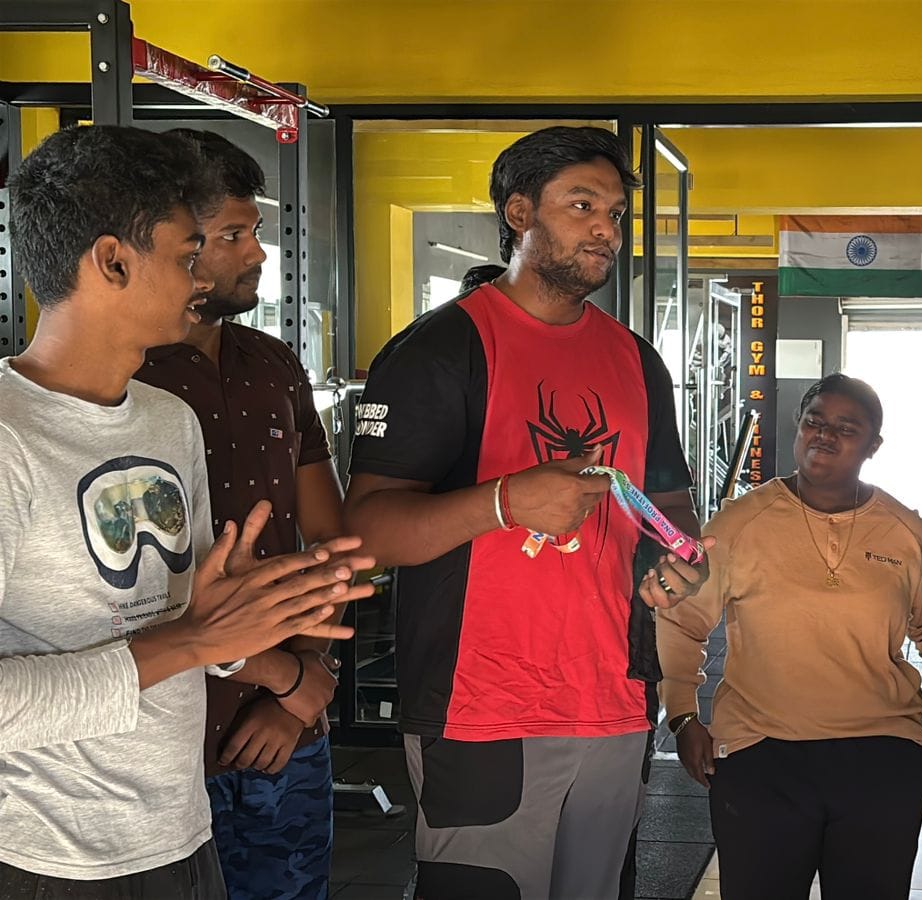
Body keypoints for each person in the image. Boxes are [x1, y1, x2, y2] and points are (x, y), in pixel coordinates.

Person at [0, 125, 370, 898]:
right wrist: (199, 640)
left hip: (177, 830)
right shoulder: (10, 436)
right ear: (112, 261)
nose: (199, 274)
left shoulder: (166, 421)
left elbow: (202, 618)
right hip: (51, 858)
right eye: (186, 252)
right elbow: (191, 635)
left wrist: (268, 656)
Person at [343, 126, 702, 900]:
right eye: (582, 206)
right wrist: (505, 502)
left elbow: (670, 505)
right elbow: (366, 531)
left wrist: (675, 557)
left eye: (614, 213)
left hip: (614, 699)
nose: (605, 229)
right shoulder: (442, 349)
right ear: (518, 212)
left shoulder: (636, 359)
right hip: (484, 709)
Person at [656, 374, 922, 900]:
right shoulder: (739, 524)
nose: (824, 435)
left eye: (846, 428)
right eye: (814, 422)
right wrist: (683, 715)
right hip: (760, 753)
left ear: (873, 445)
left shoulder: (906, 531)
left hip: (882, 753)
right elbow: (682, 619)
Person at [133, 129, 344, 900]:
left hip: (286, 729)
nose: (258, 254)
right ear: (169, 240)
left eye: (255, 231)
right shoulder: (118, 378)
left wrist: (307, 682)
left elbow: (331, 541)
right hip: (158, 740)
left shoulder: (273, 364)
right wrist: (282, 675)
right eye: (231, 236)